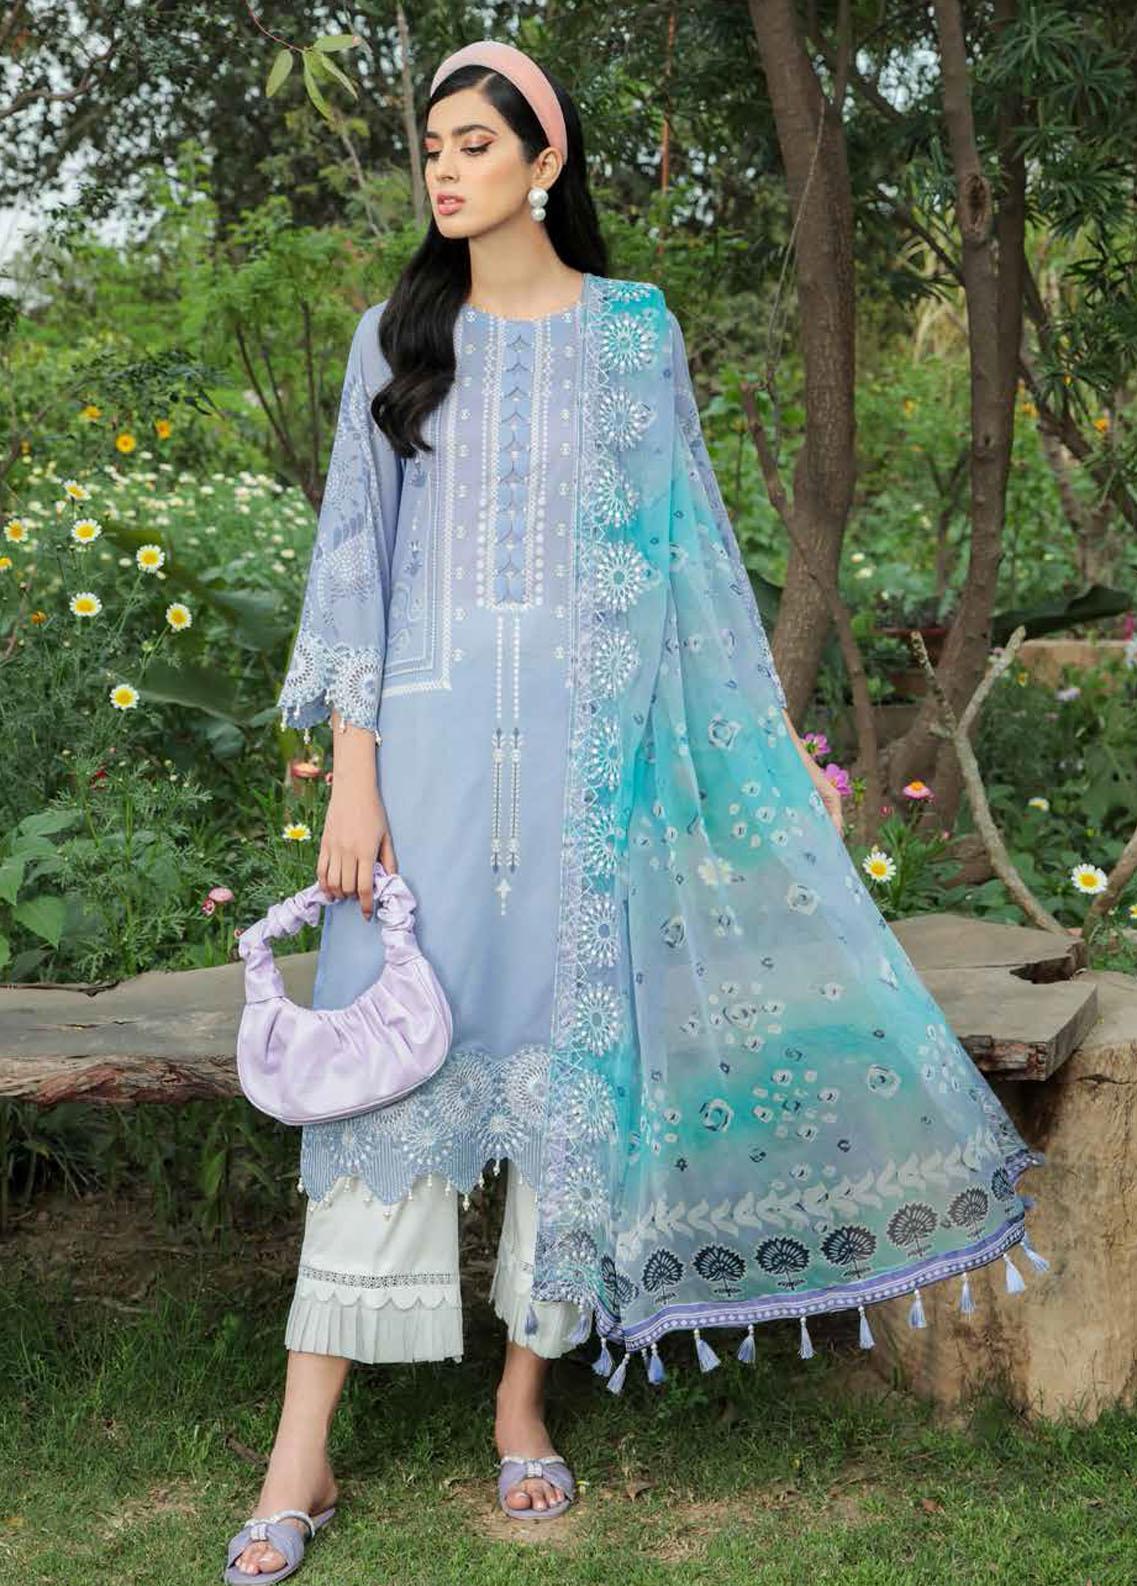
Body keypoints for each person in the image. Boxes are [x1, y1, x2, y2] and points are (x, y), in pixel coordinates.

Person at [223, 38, 1047, 1583]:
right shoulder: (393, 339)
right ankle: (300, 1449)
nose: (445, 169)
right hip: (422, 771)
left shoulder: (631, 333)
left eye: (475, 143)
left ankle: (522, 1402)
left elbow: (686, 563)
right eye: (432, 147)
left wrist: (728, 765)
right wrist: (354, 776)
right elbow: (353, 561)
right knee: (374, 1078)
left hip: (590, 771)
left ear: (545, 162)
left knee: (569, 1088)